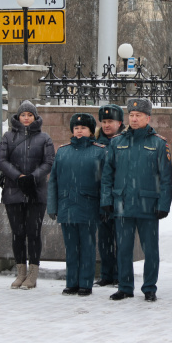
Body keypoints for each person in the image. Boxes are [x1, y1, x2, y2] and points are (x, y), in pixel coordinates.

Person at [101, 98, 172, 302]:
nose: (134, 119)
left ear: (148, 118)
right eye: (131, 115)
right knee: (123, 249)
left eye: (138, 115)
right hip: (122, 204)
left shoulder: (158, 143)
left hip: (148, 205)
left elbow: (166, 178)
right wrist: (107, 199)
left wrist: (164, 204)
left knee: (151, 250)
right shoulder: (117, 141)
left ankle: (149, 287)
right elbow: (107, 174)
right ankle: (125, 286)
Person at [0, 100, 55, 290]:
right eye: (24, 115)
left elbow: (48, 162)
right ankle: (21, 272)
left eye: (30, 115)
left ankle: (33, 274)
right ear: (18, 117)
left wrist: (32, 177)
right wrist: (18, 176)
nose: (27, 118)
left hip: (36, 192)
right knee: (18, 234)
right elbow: (2, 160)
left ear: (35, 117)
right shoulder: (8, 137)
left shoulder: (44, 138)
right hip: (14, 191)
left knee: (33, 233)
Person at [47, 113, 106, 296]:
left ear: (91, 131)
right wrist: (52, 206)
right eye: (76, 128)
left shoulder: (100, 151)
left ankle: (85, 283)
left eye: (84, 128)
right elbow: (53, 181)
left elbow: (105, 182)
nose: (79, 131)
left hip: (88, 206)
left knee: (87, 247)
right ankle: (71, 282)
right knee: (71, 247)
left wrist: (105, 205)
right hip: (67, 206)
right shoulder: (63, 151)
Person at [94, 104, 125, 287]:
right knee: (104, 240)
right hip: (100, 198)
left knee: (121, 239)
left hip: (120, 197)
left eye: (110, 121)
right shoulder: (96, 142)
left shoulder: (124, 141)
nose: (106, 125)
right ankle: (106, 274)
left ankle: (120, 274)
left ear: (119, 123)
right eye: (104, 121)